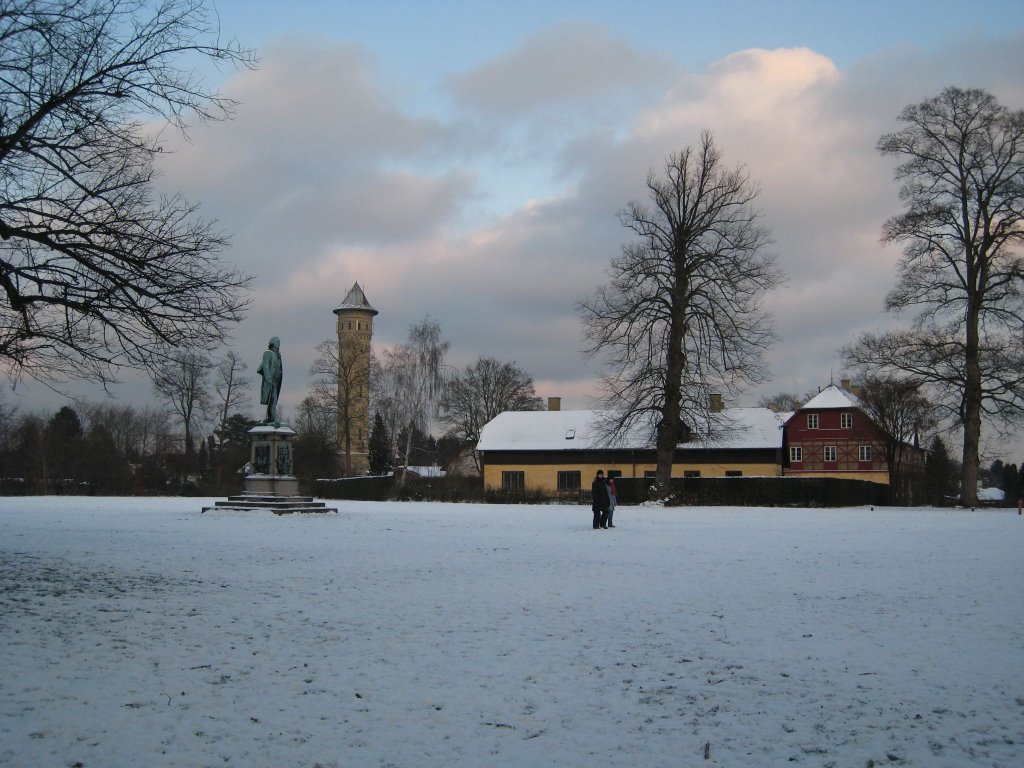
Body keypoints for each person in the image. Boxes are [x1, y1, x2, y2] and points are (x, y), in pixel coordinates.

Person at [257, 336, 283, 425]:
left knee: (274, 400)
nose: (278, 343)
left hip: (276, 381)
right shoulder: (267, 353)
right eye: (277, 341)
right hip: (270, 381)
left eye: (279, 341)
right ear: (272, 342)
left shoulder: (278, 354)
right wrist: (268, 378)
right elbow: (266, 366)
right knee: (271, 399)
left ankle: (272, 419)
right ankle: (271, 419)